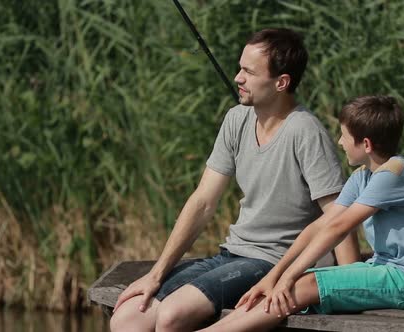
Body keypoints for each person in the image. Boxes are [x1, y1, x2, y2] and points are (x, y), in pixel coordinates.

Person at [109, 28, 360, 332]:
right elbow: (203, 202)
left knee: (172, 315)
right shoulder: (237, 119)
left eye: (248, 72)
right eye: (239, 68)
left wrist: (350, 283)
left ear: (281, 83)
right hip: (232, 254)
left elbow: (339, 215)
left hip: (275, 262)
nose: (238, 78)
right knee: (126, 319)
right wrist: (156, 273)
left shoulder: (305, 132)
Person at [198, 95, 404, 332]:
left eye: (343, 136)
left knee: (304, 285)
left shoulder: (394, 174)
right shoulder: (362, 176)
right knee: (283, 286)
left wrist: (289, 276)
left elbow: (338, 228)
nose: (339, 142)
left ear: (365, 144)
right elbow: (319, 227)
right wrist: (275, 276)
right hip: (386, 270)